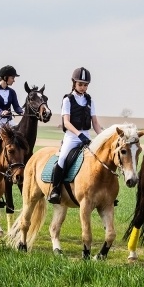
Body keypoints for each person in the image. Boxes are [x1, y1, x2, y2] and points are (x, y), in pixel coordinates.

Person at [47, 67, 104, 204]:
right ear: (74, 83)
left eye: (85, 85)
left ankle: (104, 193)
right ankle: (55, 190)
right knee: (62, 159)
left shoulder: (90, 101)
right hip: (72, 136)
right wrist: (79, 135)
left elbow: (95, 123)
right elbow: (66, 122)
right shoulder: (68, 100)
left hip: (86, 135)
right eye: (80, 84)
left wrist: (103, 137)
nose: (83, 87)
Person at [0, 65, 24, 135]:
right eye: (12, 78)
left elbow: (16, 107)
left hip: (8, 121)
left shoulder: (12, 92)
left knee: (20, 135)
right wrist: (1, 112)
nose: (14, 80)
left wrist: (22, 112)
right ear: (5, 77)